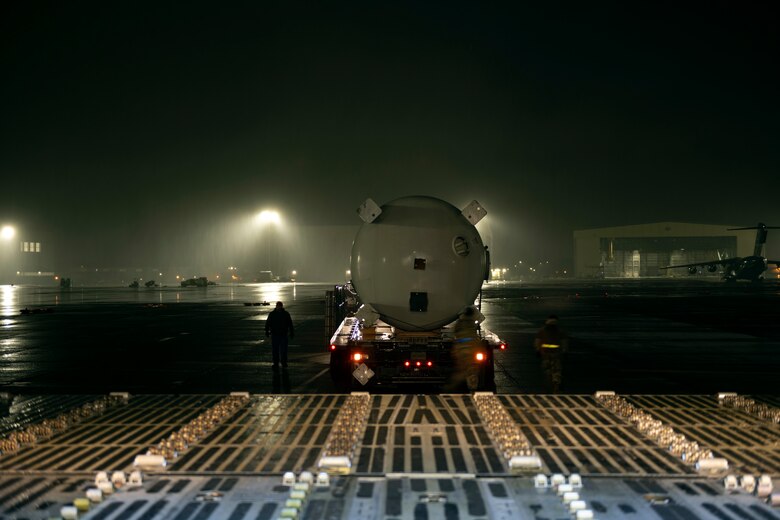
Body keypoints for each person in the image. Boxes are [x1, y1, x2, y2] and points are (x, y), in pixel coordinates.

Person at [447, 305, 484, 391]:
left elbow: (454, 334)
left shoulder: (459, 323)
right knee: (473, 368)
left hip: (461, 348)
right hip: (472, 348)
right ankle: (472, 385)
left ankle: (451, 387)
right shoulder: (472, 323)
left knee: (462, 369)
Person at [535, 314, 568, 393]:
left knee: (547, 369)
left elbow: (537, 341)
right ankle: (556, 383)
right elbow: (564, 342)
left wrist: (538, 350)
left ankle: (549, 384)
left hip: (545, 353)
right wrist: (564, 351)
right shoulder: (560, 331)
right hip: (556, 353)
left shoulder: (542, 330)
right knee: (556, 369)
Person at [265, 301, 294, 369]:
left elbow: (290, 324)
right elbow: (268, 323)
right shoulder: (284, 314)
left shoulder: (274, 314)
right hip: (277, 334)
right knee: (277, 350)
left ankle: (281, 363)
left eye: (279, 306)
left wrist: (291, 332)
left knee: (281, 350)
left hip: (281, 334)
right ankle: (278, 363)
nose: (278, 307)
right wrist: (266, 331)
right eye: (278, 306)